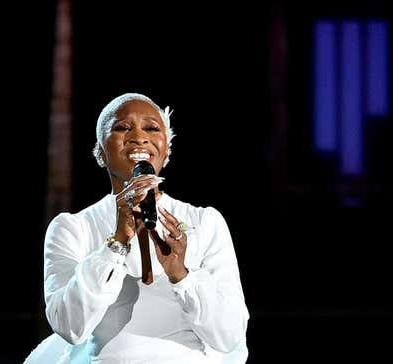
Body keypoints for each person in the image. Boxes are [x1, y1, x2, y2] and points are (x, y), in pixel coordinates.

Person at [25, 93, 249, 363]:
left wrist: (182, 274)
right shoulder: (72, 228)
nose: (139, 137)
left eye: (152, 128)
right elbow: (70, 327)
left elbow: (229, 336)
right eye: (122, 127)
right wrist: (116, 244)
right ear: (100, 152)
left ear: (166, 150)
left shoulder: (205, 222)